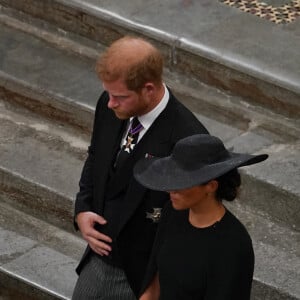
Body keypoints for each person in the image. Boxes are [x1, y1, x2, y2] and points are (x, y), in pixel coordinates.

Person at [72, 36, 209, 299]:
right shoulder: (109, 105)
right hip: (97, 260)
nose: (111, 103)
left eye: (120, 97)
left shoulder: (187, 139)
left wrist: (154, 285)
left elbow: (186, 223)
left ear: (149, 89)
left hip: (143, 277)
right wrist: (84, 207)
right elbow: (96, 156)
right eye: (109, 94)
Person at [134, 134, 268, 300]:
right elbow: (154, 282)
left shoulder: (233, 245)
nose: (171, 190)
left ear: (211, 186)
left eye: (181, 182)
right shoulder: (173, 212)